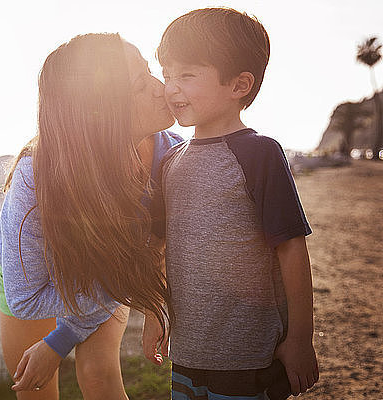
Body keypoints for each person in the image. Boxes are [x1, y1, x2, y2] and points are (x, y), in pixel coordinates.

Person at [0, 33, 182, 400]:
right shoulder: (38, 177)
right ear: (102, 112)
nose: (161, 89)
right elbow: (27, 299)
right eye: (141, 85)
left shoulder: (170, 157)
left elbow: (153, 252)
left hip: (109, 270)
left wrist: (62, 338)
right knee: (32, 386)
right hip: (38, 275)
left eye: (150, 72)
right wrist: (59, 340)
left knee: (97, 375)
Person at [142, 8, 320, 400]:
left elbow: (291, 247)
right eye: (168, 74)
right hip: (187, 352)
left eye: (187, 75)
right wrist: (155, 313)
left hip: (249, 355)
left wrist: (300, 339)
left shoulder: (260, 154)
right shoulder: (170, 161)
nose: (171, 87)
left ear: (239, 84)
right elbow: (159, 247)